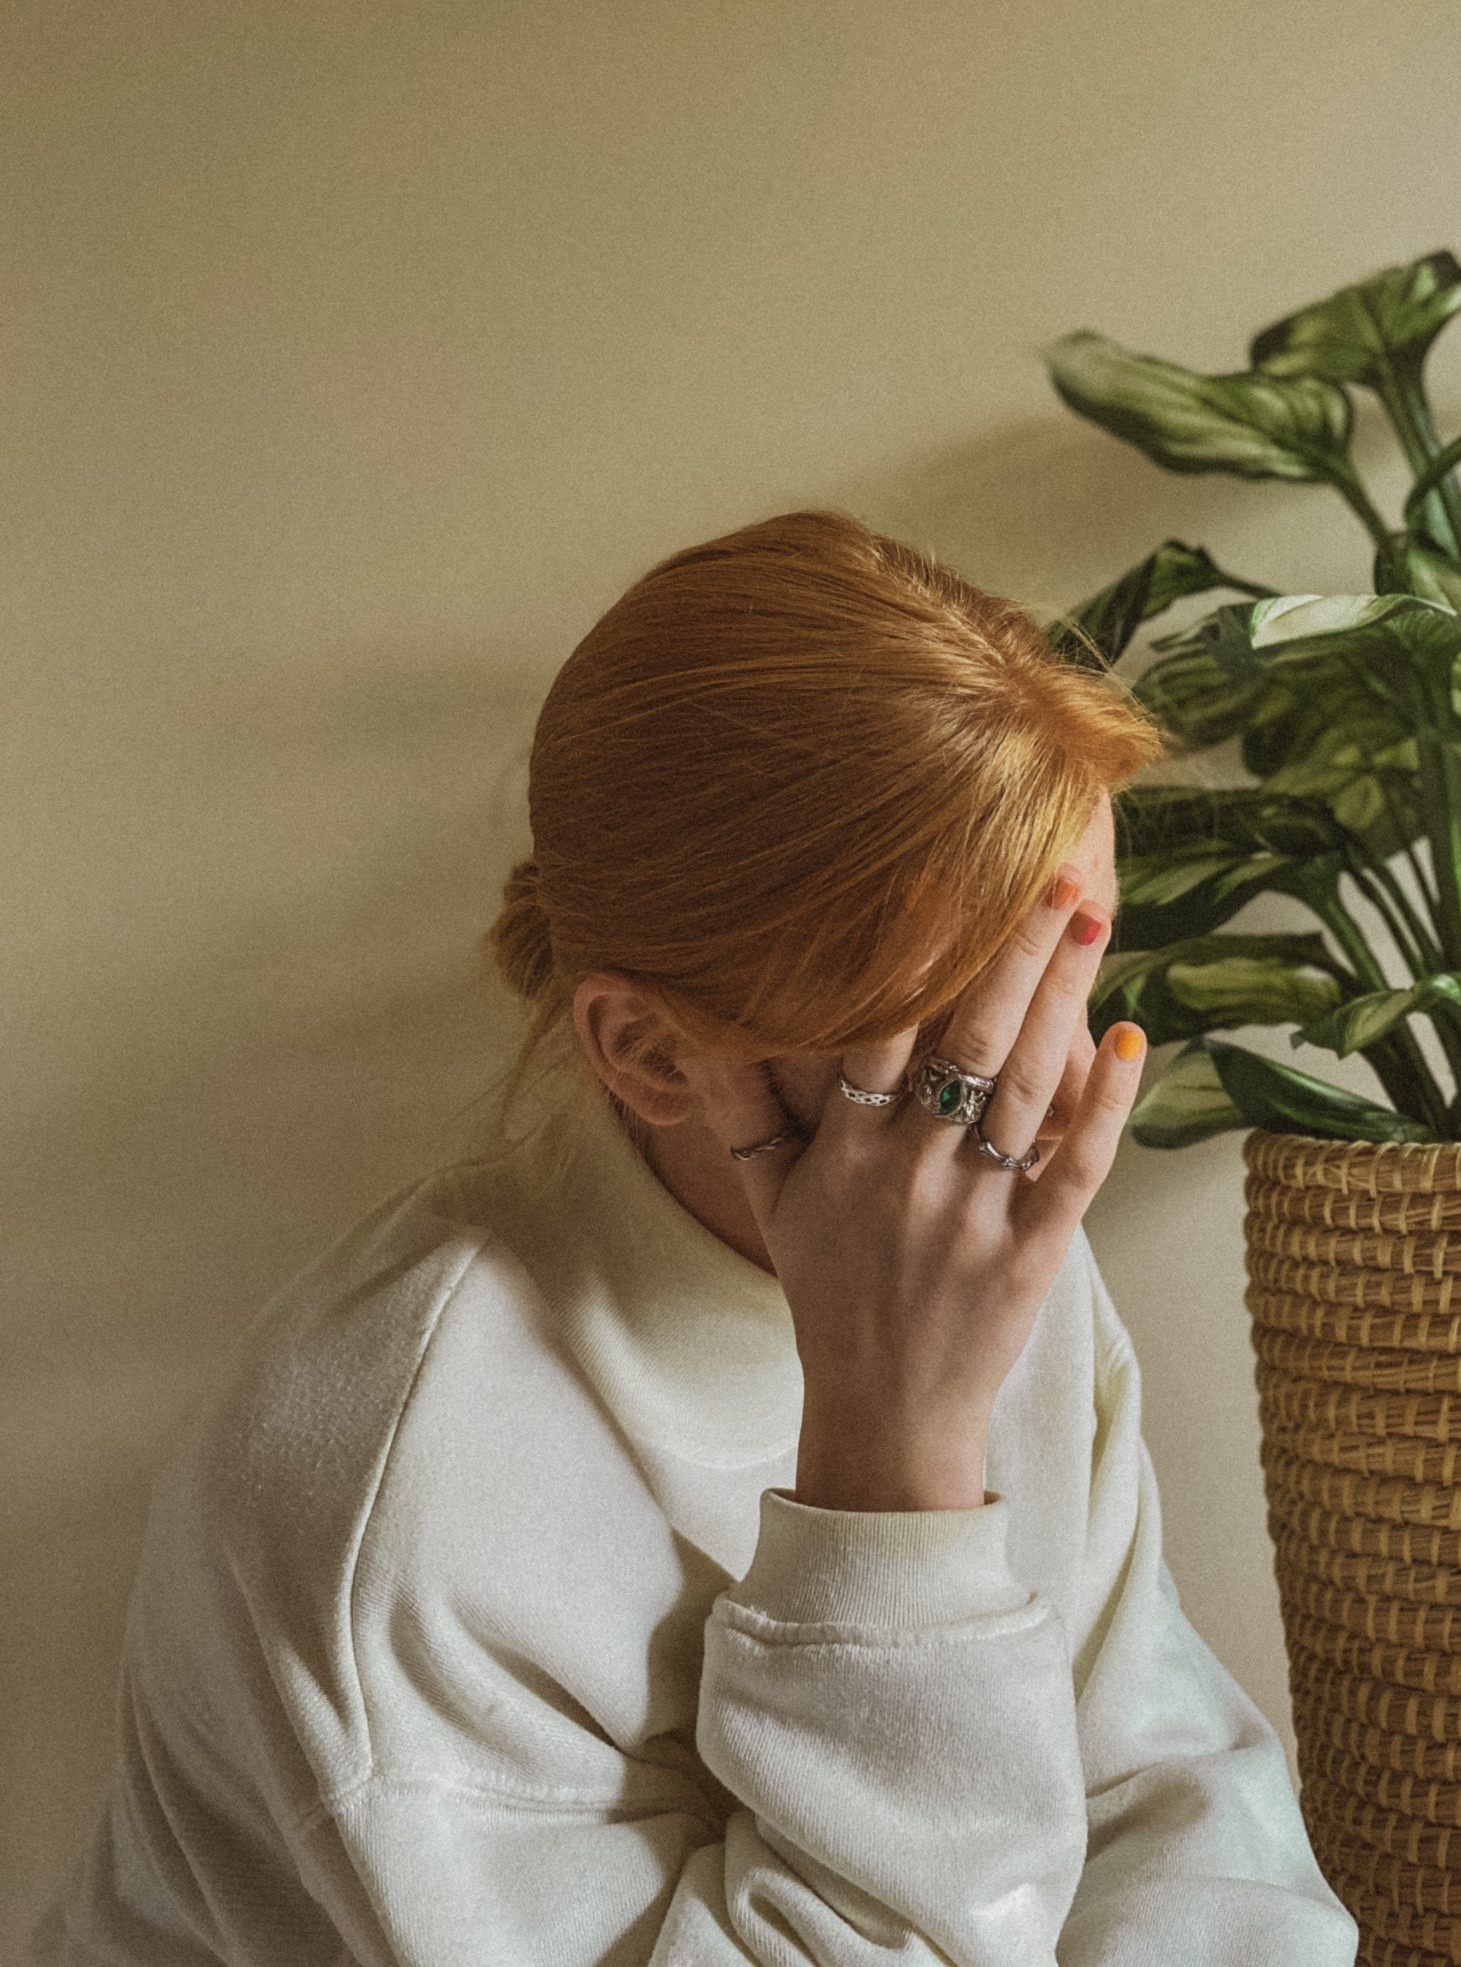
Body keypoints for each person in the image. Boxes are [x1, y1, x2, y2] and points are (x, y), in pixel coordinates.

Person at [38, 508, 1359, 1965]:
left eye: (1072, 975)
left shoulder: (987, 1222)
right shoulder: (393, 1487)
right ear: (652, 1054)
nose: (1037, 1112)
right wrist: (890, 1483)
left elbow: (1171, 1818)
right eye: (960, 1052)